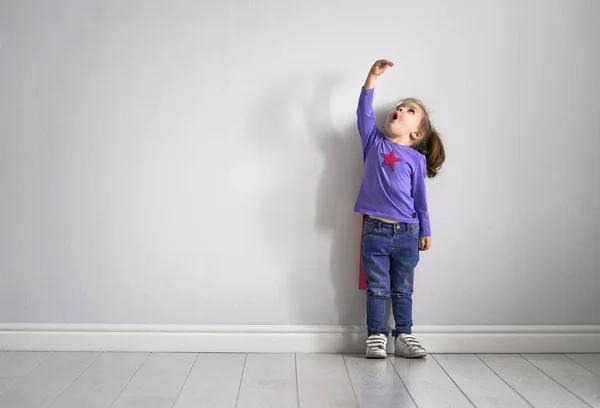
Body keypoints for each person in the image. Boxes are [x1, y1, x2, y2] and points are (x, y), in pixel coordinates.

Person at [354, 59, 445, 358]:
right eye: (400, 107)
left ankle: (404, 335)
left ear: (416, 134)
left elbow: (420, 200)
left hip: (408, 233)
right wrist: (372, 77)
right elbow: (364, 113)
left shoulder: (416, 161)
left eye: (410, 111)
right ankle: (375, 336)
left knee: (403, 289)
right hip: (375, 231)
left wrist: (426, 230)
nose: (401, 110)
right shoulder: (374, 143)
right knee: (378, 287)